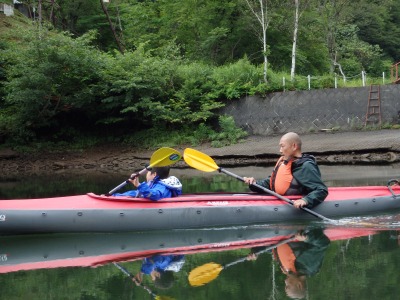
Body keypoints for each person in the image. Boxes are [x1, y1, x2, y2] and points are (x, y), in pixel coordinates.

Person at [243, 132, 328, 208]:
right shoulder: (286, 161)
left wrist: (305, 200)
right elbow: (272, 182)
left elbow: (321, 190)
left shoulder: (306, 166)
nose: (280, 150)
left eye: (282, 146)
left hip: (297, 202)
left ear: (294, 146)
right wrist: (254, 183)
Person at [248, 228, 330, 299]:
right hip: (295, 226)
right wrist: (307, 238)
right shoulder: (310, 265)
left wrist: (256, 251)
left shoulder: (287, 270)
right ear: (299, 285)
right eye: (288, 286)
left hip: (277, 231)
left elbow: (273, 248)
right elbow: (323, 243)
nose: (285, 282)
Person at [113, 166, 182, 201]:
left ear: (154, 174)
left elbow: (155, 195)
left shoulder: (162, 187)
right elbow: (135, 193)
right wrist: (116, 196)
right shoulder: (154, 184)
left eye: (148, 172)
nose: (146, 174)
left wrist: (139, 185)